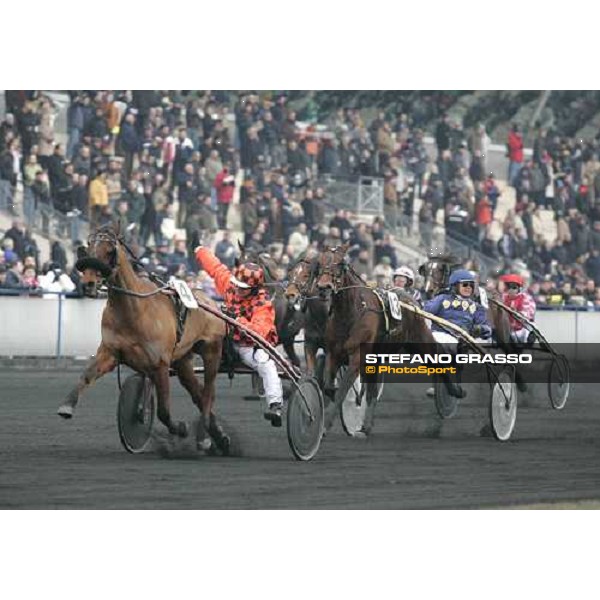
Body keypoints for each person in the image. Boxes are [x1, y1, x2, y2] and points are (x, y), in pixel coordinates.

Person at [194, 244, 284, 426]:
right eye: (237, 285)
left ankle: (275, 404)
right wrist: (199, 249)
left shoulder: (263, 304)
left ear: (254, 288)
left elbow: (257, 332)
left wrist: (237, 319)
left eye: (243, 288)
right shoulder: (230, 285)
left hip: (248, 347)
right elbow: (215, 268)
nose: (237, 290)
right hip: (224, 340)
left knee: (266, 364)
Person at [423, 269, 492, 397]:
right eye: (464, 284)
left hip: (461, 339)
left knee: (451, 348)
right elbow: (426, 310)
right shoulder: (442, 298)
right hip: (439, 334)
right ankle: (439, 383)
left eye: (471, 285)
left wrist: (479, 329)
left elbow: (487, 329)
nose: (468, 288)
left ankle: (453, 382)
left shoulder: (477, 307)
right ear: (454, 286)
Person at [499, 274, 536, 344]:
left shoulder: (526, 298)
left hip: (523, 329)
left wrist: (515, 312)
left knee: (529, 331)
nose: (511, 290)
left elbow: (527, 315)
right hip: (508, 330)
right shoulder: (502, 297)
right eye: (509, 287)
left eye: (514, 287)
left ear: (519, 288)